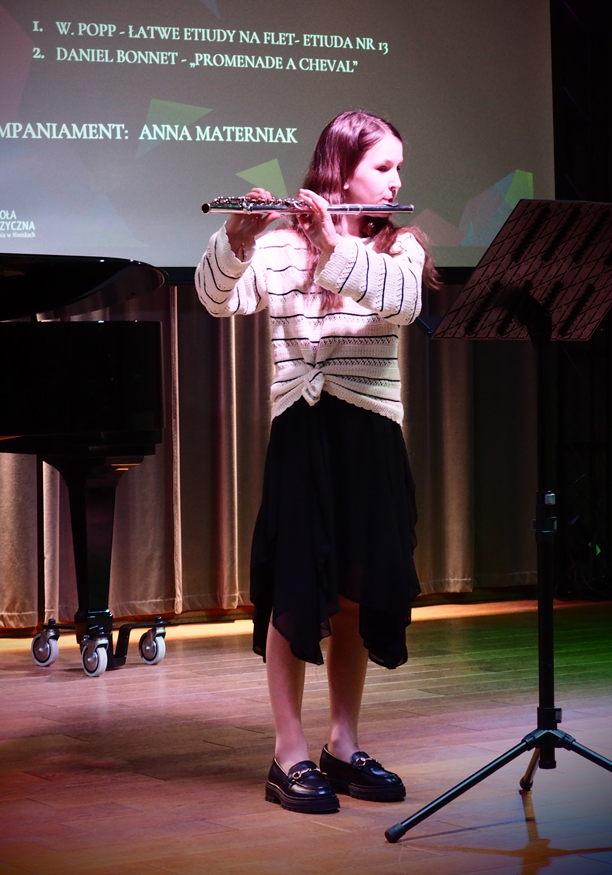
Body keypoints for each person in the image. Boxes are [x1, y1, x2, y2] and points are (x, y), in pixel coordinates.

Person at [195, 110, 438, 814]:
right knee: (296, 588)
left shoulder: (400, 245)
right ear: (341, 169)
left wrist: (334, 243)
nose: (396, 181)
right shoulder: (278, 244)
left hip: (371, 431)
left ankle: (343, 743)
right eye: (383, 167)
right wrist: (236, 239)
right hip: (302, 428)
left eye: (398, 167)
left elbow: (401, 304)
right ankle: (289, 752)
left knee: (358, 592)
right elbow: (216, 300)